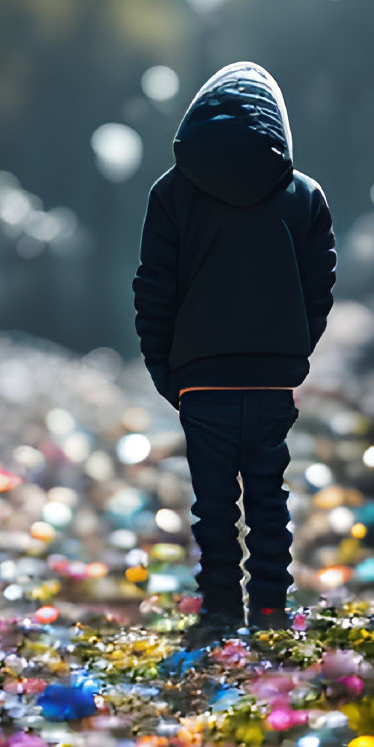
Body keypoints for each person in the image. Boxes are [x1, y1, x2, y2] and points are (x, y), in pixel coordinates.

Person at [133, 62, 336, 635]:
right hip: (272, 376)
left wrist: (164, 366)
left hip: (200, 375)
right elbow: (319, 284)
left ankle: (219, 609)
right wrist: (293, 349)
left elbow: (154, 286)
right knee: (268, 497)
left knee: (212, 505)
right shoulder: (304, 195)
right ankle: (270, 607)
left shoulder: (170, 193)